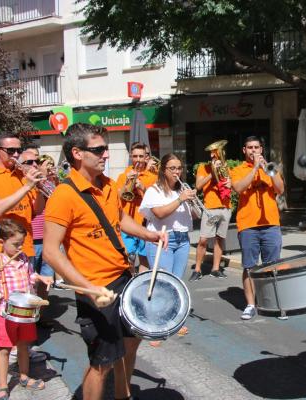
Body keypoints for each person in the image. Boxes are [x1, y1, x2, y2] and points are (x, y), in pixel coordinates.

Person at [42, 123, 167, 400]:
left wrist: (150, 234)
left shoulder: (110, 186)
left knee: (130, 344)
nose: (106, 155)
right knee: (102, 361)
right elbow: (50, 251)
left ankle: (123, 395)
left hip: (123, 277)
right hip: (95, 289)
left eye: (105, 149)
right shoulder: (64, 195)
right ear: (77, 153)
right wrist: (87, 288)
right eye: (98, 149)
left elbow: (119, 220)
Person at [0, 132, 45, 382]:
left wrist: (42, 186)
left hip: (24, 247)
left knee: (23, 299)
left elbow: (36, 211)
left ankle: (17, 349)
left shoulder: (21, 175)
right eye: (11, 151)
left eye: (18, 150)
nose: (16, 155)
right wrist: (27, 186)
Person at [0, 218, 53, 399]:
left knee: (23, 346)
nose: (20, 248)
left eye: (22, 244)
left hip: (24, 314)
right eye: (16, 244)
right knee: (4, 350)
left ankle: (24, 376)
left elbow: (30, 276)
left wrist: (41, 278)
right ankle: (2, 386)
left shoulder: (23, 259)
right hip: (5, 314)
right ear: (2, 242)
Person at [230, 136, 284, 320]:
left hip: (271, 223)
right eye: (250, 148)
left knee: (273, 266)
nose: (254, 151)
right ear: (244, 151)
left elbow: (280, 189)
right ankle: (251, 304)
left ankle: (274, 303)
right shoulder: (238, 170)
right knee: (249, 266)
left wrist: (267, 170)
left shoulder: (270, 167)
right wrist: (254, 168)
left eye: (256, 147)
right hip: (248, 224)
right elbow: (238, 188)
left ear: (261, 149)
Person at [139, 153, 196, 280]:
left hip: (183, 240)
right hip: (162, 240)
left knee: (176, 282)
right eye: (173, 168)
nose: (177, 172)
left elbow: (194, 216)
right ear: (164, 170)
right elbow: (159, 214)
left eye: (179, 168)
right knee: (164, 282)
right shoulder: (154, 190)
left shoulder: (182, 190)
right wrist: (180, 200)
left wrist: (194, 203)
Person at [191, 141, 233, 281]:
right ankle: (197, 269)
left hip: (225, 206)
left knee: (220, 239)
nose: (212, 154)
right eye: (211, 152)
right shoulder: (204, 167)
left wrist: (229, 182)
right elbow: (198, 186)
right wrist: (211, 173)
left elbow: (233, 186)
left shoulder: (227, 167)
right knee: (203, 239)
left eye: (215, 151)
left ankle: (215, 269)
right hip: (210, 208)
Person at [116, 142, 157, 273]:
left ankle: (141, 284)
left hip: (144, 224)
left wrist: (143, 188)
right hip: (127, 224)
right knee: (128, 258)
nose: (138, 160)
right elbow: (119, 197)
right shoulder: (123, 175)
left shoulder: (153, 177)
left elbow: (155, 202)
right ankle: (131, 280)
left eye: (141, 156)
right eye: (135, 156)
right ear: (131, 157)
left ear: (146, 157)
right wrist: (127, 182)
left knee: (144, 259)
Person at [31, 154, 58, 310]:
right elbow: (37, 208)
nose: (49, 167)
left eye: (51, 164)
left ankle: (40, 314)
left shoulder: (52, 183)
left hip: (49, 235)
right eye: (46, 164)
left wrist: (55, 181)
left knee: (46, 278)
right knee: (32, 278)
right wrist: (40, 185)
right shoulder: (32, 183)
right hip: (35, 235)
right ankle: (29, 315)